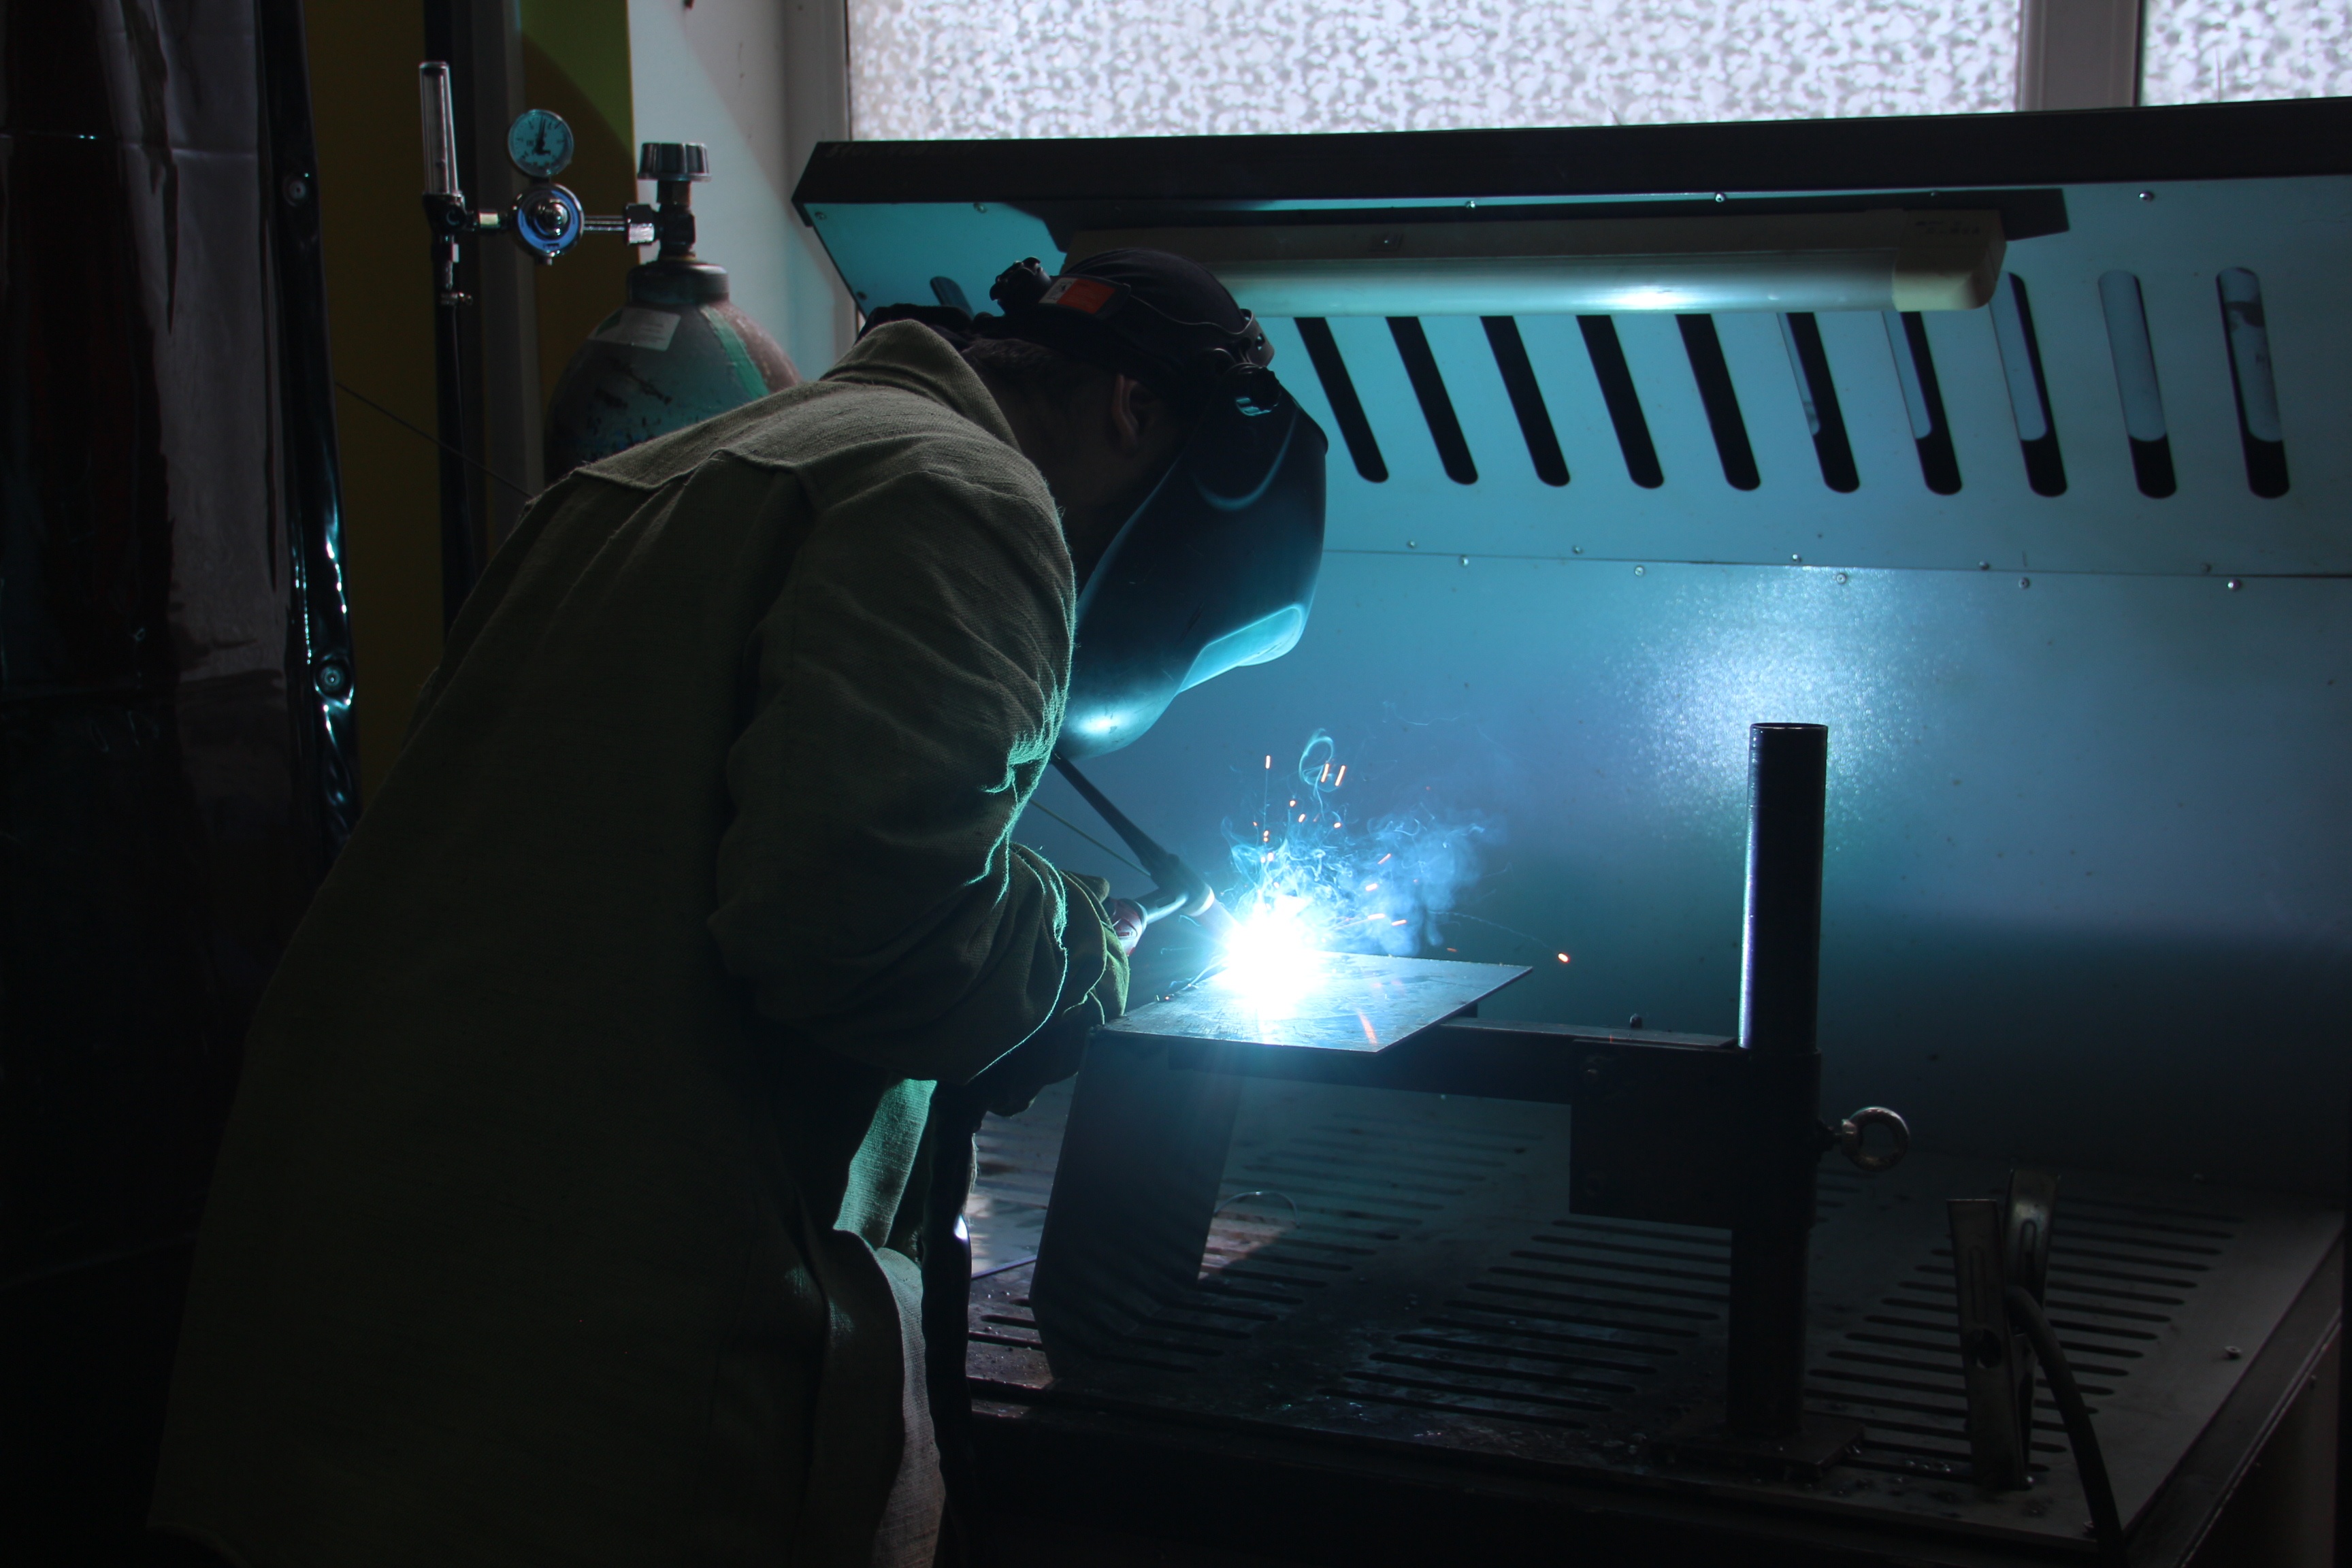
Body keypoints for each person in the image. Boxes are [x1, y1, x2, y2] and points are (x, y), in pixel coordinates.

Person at [149, 249, 1322, 1568]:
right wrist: (1089, 953)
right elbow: (869, 934)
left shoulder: (659, 477)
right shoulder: (962, 491)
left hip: (338, 1343)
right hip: (582, 1399)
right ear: (1133, 410)